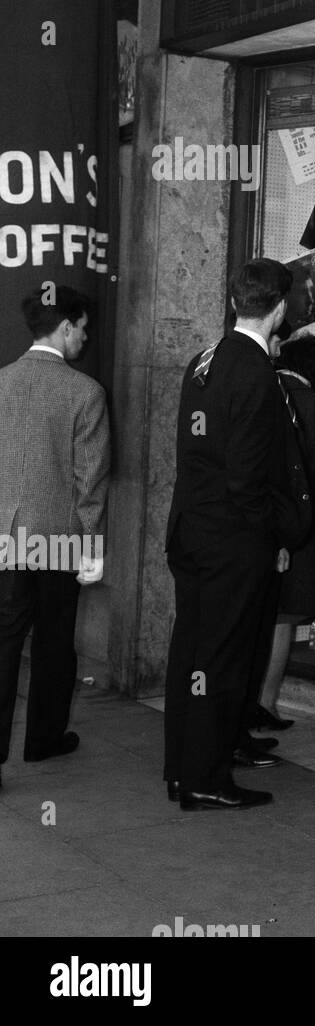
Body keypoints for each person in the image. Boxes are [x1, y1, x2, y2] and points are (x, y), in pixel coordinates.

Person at [164, 260, 307, 811]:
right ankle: (206, 779)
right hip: (232, 539)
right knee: (223, 661)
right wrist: (269, 538)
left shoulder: (205, 360)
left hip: (192, 532)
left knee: (191, 653)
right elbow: (248, 477)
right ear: (277, 309)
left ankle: (181, 769)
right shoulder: (256, 371)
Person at [0, 287, 109, 789]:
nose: (84, 339)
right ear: (65, 326)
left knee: (3, 643)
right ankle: (43, 739)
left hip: (6, 535)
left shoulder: (1, 383)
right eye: (82, 329)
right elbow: (90, 479)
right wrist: (91, 545)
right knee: (53, 641)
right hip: (58, 536)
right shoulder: (84, 391)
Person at [249, 334, 315, 731]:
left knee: (257, 618)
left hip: (259, 526)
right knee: (282, 621)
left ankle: (248, 705)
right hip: (296, 528)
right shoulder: (310, 403)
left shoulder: (263, 388)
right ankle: (266, 705)